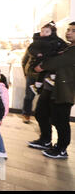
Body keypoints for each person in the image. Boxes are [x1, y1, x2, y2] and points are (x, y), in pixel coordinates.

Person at [29, 22, 75, 159]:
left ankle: (61, 149)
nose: (69, 32)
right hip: (50, 87)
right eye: (68, 30)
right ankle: (45, 140)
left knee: (60, 121)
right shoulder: (67, 47)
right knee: (41, 113)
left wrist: (41, 66)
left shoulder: (71, 50)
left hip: (64, 91)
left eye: (73, 30)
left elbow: (56, 62)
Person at [27, 22, 67, 95]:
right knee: (43, 72)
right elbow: (31, 48)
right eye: (42, 31)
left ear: (52, 32)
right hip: (42, 59)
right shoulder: (38, 40)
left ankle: (43, 83)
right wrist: (37, 53)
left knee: (50, 67)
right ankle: (39, 85)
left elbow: (64, 45)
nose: (44, 33)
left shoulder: (57, 40)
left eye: (47, 32)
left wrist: (62, 50)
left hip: (50, 59)